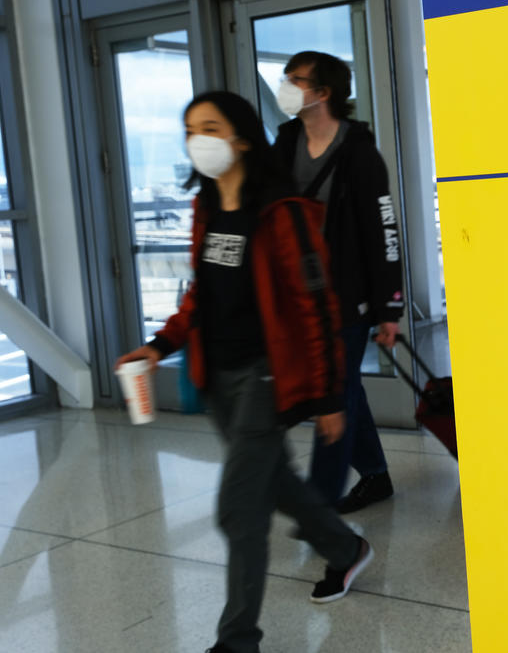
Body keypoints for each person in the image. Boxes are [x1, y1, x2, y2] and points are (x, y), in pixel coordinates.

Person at [115, 91, 373, 653]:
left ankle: (237, 641)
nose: (197, 139)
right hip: (217, 379)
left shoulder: (285, 213)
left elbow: (317, 306)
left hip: (266, 377)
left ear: (243, 138)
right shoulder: (206, 210)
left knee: (240, 510)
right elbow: (198, 298)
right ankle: (345, 548)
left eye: (210, 127)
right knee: (273, 481)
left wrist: (331, 397)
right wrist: (159, 347)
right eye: (189, 129)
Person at [272, 51, 404, 514]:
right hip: (298, 299)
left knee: (334, 392)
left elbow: (382, 231)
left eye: (295, 80)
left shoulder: (360, 153)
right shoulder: (284, 144)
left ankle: (318, 504)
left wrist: (390, 308)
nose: (286, 86)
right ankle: (375, 476)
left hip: (347, 299)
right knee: (343, 388)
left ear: (323, 92)